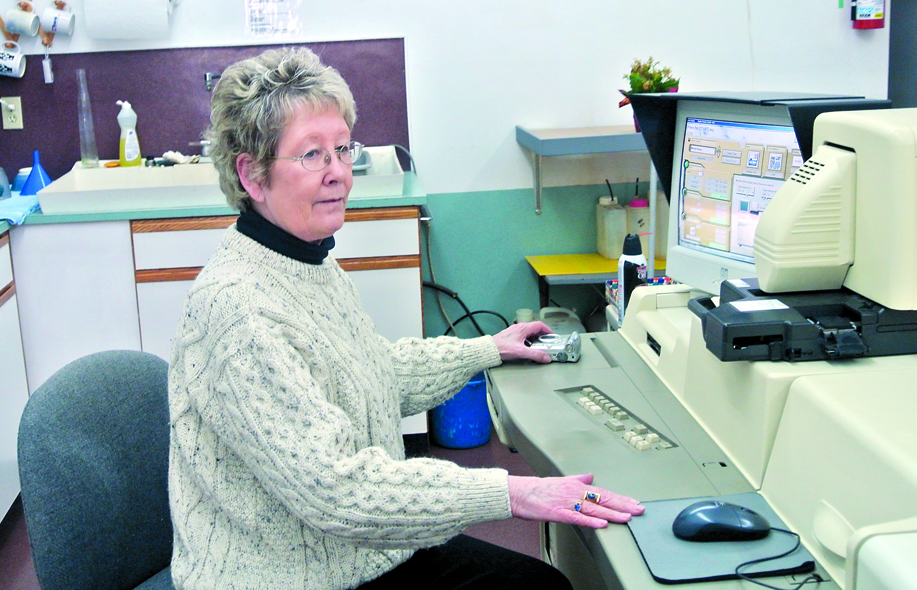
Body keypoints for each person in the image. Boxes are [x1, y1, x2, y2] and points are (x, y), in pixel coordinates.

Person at [167, 46, 644, 590]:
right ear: (251, 175)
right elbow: (337, 491)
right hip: (291, 576)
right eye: (312, 155)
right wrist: (512, 492)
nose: (339, 174)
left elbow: (371, 374)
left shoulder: (305, 259)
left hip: (360, 554)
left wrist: (488, 349)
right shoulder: (239, 307)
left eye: (343, 150)